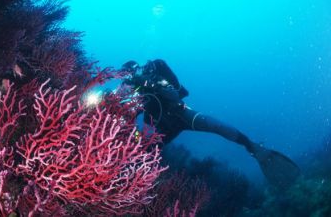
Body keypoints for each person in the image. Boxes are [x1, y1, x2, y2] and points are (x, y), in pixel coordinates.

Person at [122, 59, 300, 188]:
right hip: (162, 128)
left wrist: (151, 83)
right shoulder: (136, 95)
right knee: (147, 154)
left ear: (139, 68)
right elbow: (131, 118)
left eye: (132, 73)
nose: (131, 78)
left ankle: (253, 147)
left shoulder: (155, 70)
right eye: (128, 77)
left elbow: (175, 90)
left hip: (181, 114)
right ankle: (136, 186)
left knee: (216, 125)